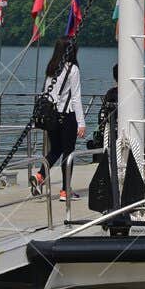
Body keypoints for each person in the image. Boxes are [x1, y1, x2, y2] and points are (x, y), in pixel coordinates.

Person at [34, 38, 85, 201]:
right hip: (67, 115)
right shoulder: (73, 69)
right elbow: (76, 97)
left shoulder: (51, 67)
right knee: (68, 153)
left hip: (51, 116)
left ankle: (40, 175)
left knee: (55, 149)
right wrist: (81, 122)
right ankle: (65, 190)